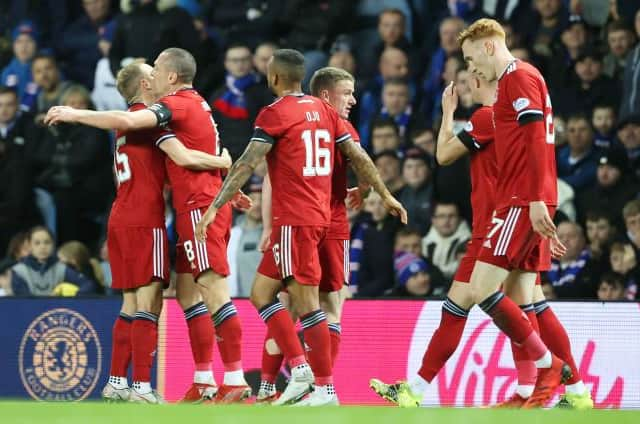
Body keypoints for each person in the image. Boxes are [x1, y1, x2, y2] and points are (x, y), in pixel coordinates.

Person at [372, 19, 591, 409]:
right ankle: (566, 391)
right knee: (527, 301)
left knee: (484, 295)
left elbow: (445, 154)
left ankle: (549, 368)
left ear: (488, 49)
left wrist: (537, 198)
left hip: (509, 211)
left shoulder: (498, 101)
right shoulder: (515, 89)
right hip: (514, 208)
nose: (473, 73)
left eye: (473, 63)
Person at [194, 49, 407, 406]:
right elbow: (360, 156)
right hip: (323, 219)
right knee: (270, 295)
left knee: (305, 304)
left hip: (296, 220)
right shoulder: (325, 112)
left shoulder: (275, 113)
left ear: (274, 78)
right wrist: (383, 194)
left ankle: (317, 383)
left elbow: (248, 162)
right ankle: (293, 380)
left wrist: (216, 204)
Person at [44, 50, 250, 403]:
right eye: (149, 71)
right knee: (150, 303)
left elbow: (174, 158)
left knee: (167, 298)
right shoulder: (152, 121)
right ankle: (146, 385)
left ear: (169, 77)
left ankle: (130, 382)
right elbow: (186, 157)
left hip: (132, 215)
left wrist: (228, 187)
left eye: (158, 69)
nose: (154, 74)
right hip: (153, 219)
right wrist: (224, 164)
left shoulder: (144, 124)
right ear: (144, 83)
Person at [256, 66, 365, 402]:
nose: (353, 100)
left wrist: (268, 226)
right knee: (328, 308)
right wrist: (370, 192)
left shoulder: (293, 122)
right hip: (330, 226)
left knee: (286, 305)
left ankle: (271, 386)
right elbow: (364, 164)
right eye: (347, 93)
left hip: (298, 224)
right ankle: (320, 387)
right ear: (325, 95)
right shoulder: (339, 126)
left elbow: (273, 179)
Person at [10, 226, 96, 296]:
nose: (43, 247)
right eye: (37, 243)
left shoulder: (61, 268)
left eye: (47, 242)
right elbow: (23, 301)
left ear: (53, 245)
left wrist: (74, 298)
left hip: (57, 314)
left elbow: (88, 284)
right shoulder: (18, 271)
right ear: (29, 246)